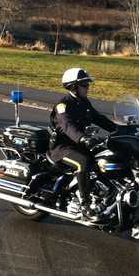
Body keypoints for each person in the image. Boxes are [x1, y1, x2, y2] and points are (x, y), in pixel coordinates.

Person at [49, 67, 117, 220]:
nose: (88, 87)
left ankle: (106, 194)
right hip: (62, 148)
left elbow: (99, 119)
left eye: (88, 84)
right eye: (84, 85)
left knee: (105, 157)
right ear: (73, 86)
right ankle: (85, 205)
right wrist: (82, 138)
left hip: (79, 145)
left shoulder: (84, 102)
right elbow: (67, 126)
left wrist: (120, 129)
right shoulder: (63, 105)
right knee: (83, 162)